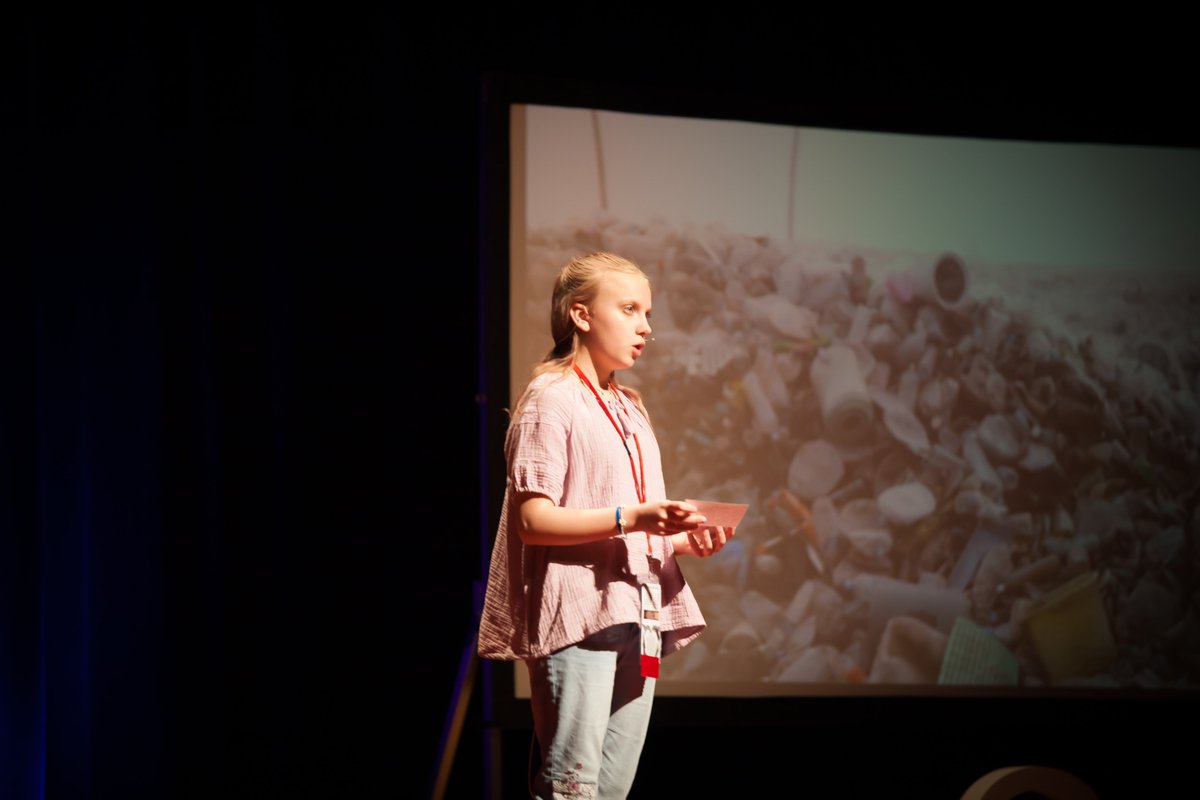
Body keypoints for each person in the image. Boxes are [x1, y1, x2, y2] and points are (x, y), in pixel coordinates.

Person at [477, 251, 733, 799]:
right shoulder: (552, 398)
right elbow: (532, 520)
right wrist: (634, 516)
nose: (646, 326)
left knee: (609, 793)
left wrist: (684, 539)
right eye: (629, 308)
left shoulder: (630, 407)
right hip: (578, 615)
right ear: (581, 315)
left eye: (648, 313)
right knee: (571, 787)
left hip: (636, 613)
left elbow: (630, 525)